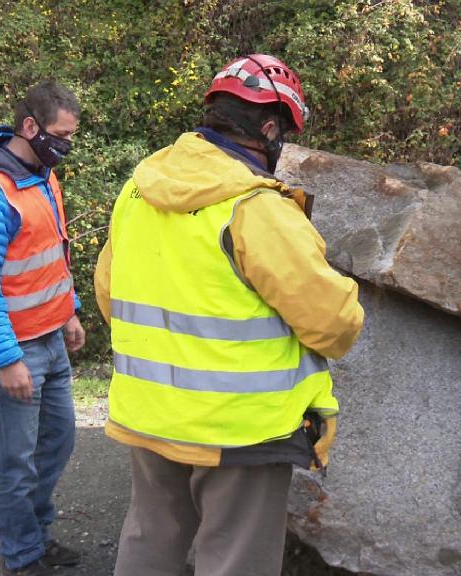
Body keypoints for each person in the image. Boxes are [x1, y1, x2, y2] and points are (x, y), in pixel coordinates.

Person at [94, 54, 365, 576]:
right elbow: (333, 323)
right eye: (282, 129)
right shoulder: (255, 208)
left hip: (149, 413)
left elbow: (110, 297)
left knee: (151, 539)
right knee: (234, 558)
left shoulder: (137, 192)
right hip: (242, 431)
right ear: (268, 127)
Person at [0, 80, 87, 576]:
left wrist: (68, 308)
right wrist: (6, 359)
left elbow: (52, 252)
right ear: (29, 127)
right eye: (60, 135)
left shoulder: (43, 175)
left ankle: (36, 532)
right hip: (12, 347)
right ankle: (23, 555)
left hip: (50, 336)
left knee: (59, 440)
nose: (66, 145)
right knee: (17, 459)